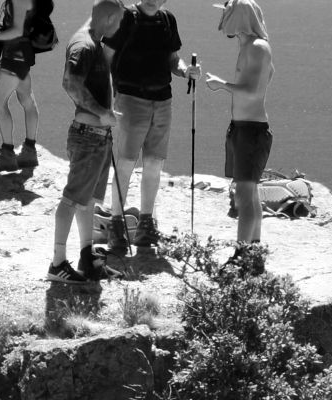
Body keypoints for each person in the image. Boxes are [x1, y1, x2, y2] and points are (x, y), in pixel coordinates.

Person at [43, 0, 125, 284]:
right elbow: (70, 82)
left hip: (98, 136)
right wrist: (102, 113)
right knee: (71, 199)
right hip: (88, 136)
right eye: (119, 21)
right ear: (110, 18)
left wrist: (106, 115)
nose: (120, 26)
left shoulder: (94, 42)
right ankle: (57, 263)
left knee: (87, 200)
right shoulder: (85, 44)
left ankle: (87, 258)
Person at [103, 0, 194, 252]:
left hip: (162, 101)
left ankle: (146, 224)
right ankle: (116, 226)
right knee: (126, 163)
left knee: (154, 163)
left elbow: (173, 59)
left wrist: (187, 71)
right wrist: (105, 99)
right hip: (130, 100)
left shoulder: (167, 20)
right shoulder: (125, 18)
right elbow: (105, 58)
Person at [201, 0, 274, 265]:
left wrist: (223, 85)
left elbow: (254, 90)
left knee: (245, 196)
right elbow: (268, 77)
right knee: (249, 194)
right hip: (243, 128)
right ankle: (253, 255)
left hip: (252, 131)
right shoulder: (250, 46)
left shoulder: (257, 48)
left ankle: (243, 254)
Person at [0, 0, 46, 173]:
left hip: (14, 58)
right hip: (23, 56)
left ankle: (7, 155)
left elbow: (16, 31)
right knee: (27, 101)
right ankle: (29, 151)